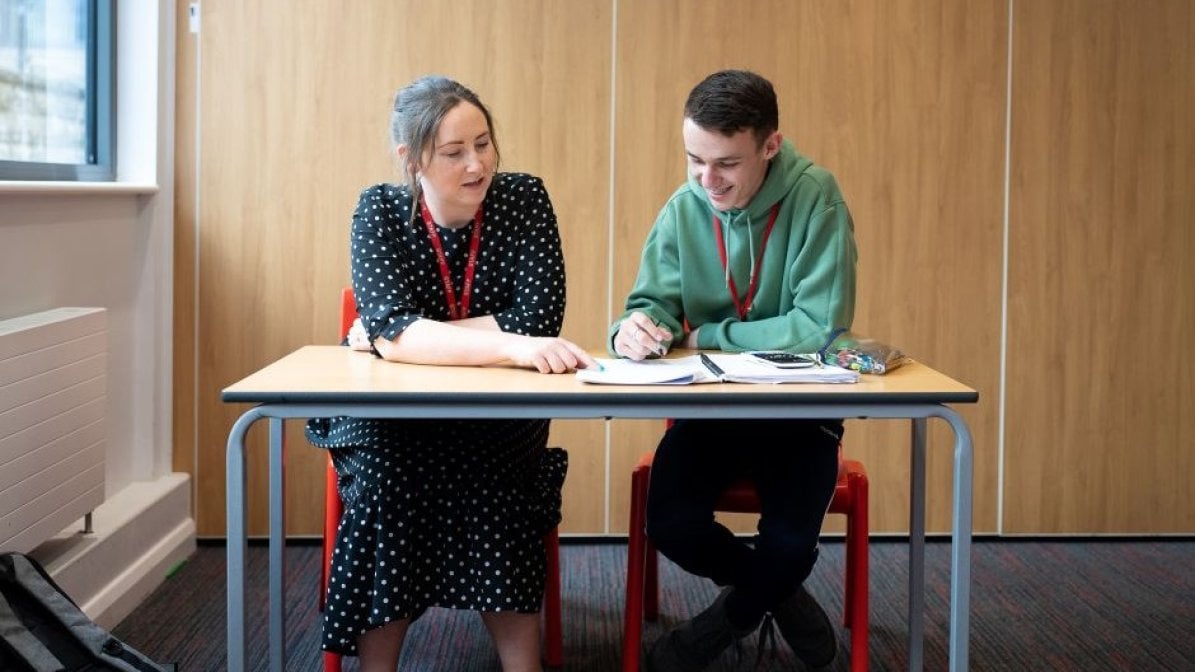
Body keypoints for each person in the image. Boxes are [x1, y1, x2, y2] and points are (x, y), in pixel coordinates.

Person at [306, 75, 596, 672]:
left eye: (484, 144)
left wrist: (409, 338)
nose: (477, 164)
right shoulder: (379, 210)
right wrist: (501, 343)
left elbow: (537, 317)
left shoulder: (524, 200)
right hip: (392, 420)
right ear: (410, 160)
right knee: (388, 483)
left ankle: (523, 665)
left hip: (496, 416)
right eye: (454, 152)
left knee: (500, 481)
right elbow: (407, 330)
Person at [610, 69, 858, 671]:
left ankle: (725, 622)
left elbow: (818, 328)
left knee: (791, 541)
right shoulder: (683, 207)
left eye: (725, 163)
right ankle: (775, 590)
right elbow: (648, 307)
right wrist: (631, 331)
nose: (706, 180)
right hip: (711, 413)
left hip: (799, 418)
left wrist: (707, 336)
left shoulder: (816, 196)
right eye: (694, 158)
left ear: (770, 146)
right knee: (669, 522)